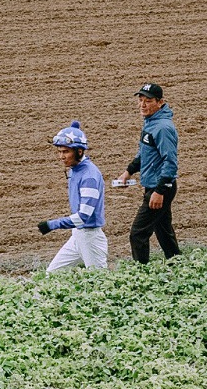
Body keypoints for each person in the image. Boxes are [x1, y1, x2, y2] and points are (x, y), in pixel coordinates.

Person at [115, 83, 182, 264]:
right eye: (141, 100)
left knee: (138, 233)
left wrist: (159, 191)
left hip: (160, 187)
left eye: (148, 101)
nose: (142, 105)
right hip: (156, 186)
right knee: (164, 231)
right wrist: (128, 172)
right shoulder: (151, 122)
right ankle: (179, 265)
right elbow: (144, 155)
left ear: (160, 102)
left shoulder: (162, 128)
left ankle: (141, 274)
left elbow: (170, 162)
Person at [37, 121, 108, 272]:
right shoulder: (75, 169)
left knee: (101, 282)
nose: (61, 156)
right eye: (59, 151)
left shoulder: (89, 176)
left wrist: (51, 225)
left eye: (65, 152)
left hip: (91, 239)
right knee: (51, 274)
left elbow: (83, 216)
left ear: (80, 151)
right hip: (78, 234)